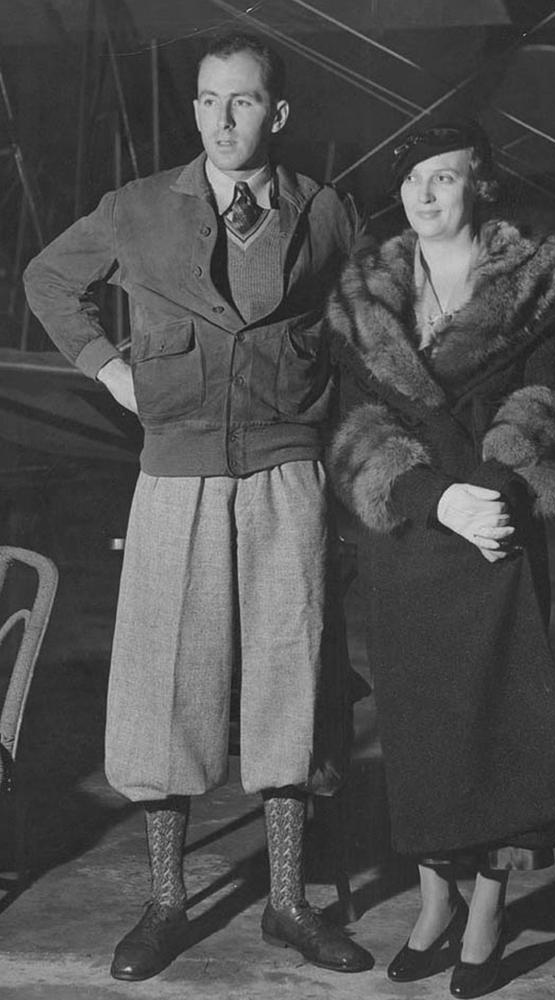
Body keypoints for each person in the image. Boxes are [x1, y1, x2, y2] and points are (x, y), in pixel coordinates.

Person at [24, 32, 373, 981]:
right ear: (195, 111)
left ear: (279, 113)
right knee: (161, 686)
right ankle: (168, 900)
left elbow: (363, 330)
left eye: (245, 102)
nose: (224, 120)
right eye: (210, 101)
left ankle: (290, 903)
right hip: (174, 476)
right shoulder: (135, 211)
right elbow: (49, 280)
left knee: (291, 677)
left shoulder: (327, 212)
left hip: (287, 472)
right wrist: (110, 368)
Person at [326, 122, 555, 998]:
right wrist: (430, 499)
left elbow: (547, 402)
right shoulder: (365, 295)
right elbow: (353, 424)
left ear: (481, 185)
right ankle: (434, 903)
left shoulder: (541, 287)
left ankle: (486, 911)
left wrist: (486, 495)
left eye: (445, 178)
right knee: (422, 732)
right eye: (414, 179)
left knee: (497, 730)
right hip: (409, 539)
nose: (427, 193)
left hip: (498, 536)